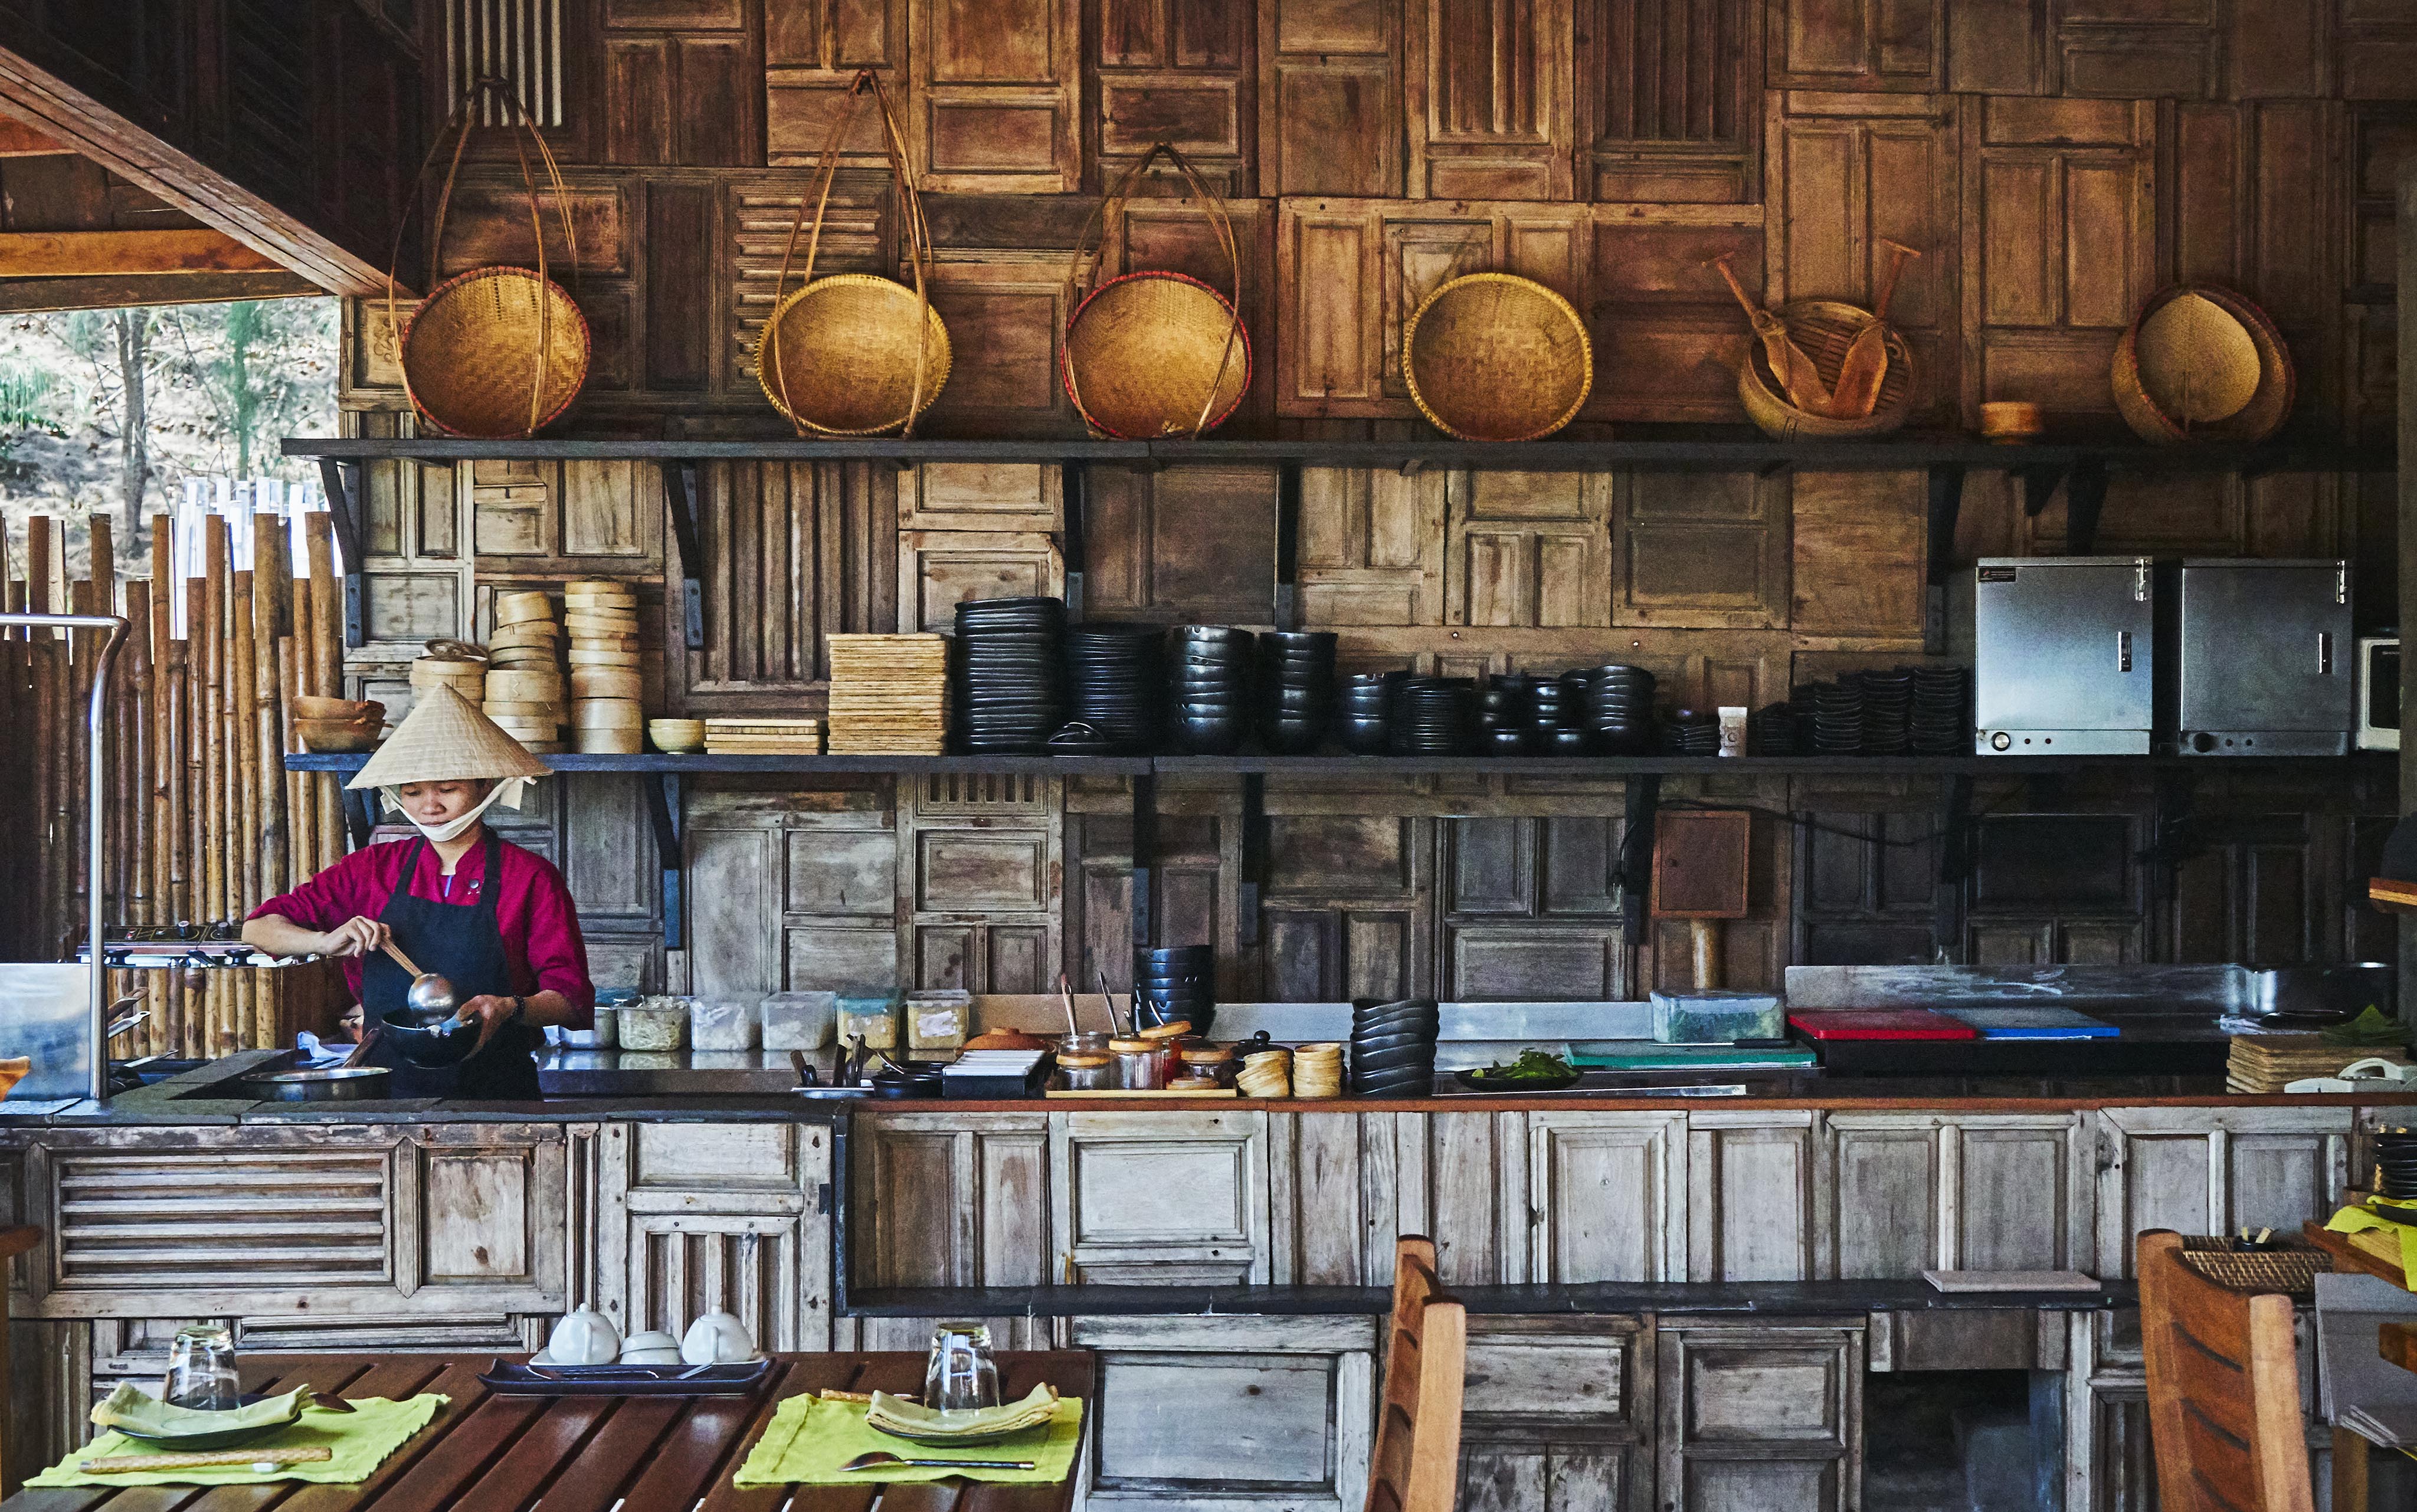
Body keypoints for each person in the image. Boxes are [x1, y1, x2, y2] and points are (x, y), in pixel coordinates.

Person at [242, 685, 593, 1097]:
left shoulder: (530, 877)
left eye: (447, 789)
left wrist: (509, 1007)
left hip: (499, 1091)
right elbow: (258, 929)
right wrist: (324, 941)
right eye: (412, 792)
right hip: (385, 1090)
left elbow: (570, 999)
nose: (430, 806)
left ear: (483, 786)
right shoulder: (371, 869)